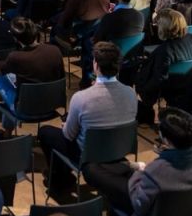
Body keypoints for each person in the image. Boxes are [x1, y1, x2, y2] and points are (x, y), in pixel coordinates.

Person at [83, 107, 192, 216]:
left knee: (92, 169)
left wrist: (140, 174)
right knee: (121, 170)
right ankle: (126, 168)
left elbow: (139, 206)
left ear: (166, 140)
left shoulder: (157, 170)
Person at [38, 42, 136, 191]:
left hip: (88, 155)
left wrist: (65, 126)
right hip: (118, 150)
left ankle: (59, 180)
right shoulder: (131, 93)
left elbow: (69, 135)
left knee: (45, 132)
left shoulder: (81, 98)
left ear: (96, 65)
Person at [0, 18, 65, 137]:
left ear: (15, 38)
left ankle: (7, 133)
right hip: (52, 106)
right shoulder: (55, 50)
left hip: (26, 111)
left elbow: (0, 70)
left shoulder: (15, 57)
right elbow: (61, 78)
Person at [137, 9, 192, 120]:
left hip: (172, 88)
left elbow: (159, 79)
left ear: (164, 28)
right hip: (191, 84)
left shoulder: (164, 51)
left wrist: (143, 88)